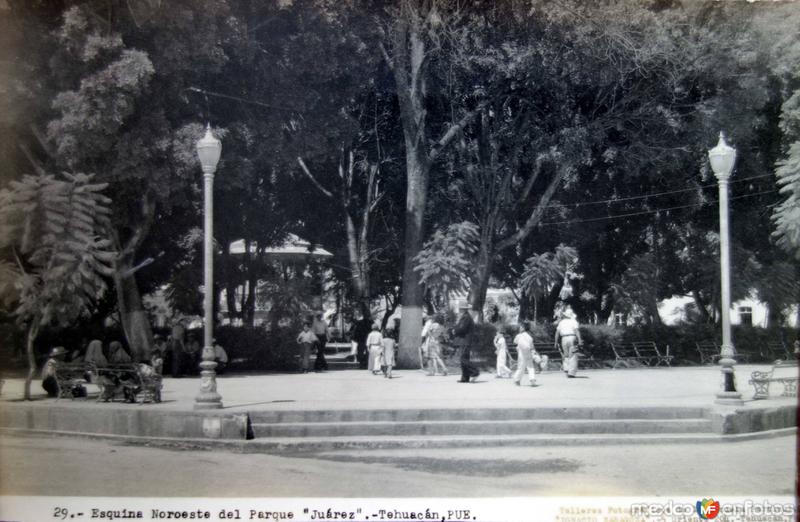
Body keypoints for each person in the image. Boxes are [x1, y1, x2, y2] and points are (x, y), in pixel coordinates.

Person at [453, 304, 479, 383]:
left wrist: (455, 331)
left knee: (463, 359)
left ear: (463, 309)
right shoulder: (465, 317)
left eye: (461, 309)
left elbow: (462, 328)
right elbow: (459, 327)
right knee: (464, 359)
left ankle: (475, 372)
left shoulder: (466, 317)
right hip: (465, 341)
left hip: (465, 341)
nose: (459, 311)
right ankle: (465, 378)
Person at [555, 307, 583, 378]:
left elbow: (557, 333)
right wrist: (579, 340)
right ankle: (571, 372)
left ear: (565, 315)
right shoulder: (574, 321)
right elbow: (577, 331)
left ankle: (566, 369)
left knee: (566, 354)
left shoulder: (561, 322)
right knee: (573, 355)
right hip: (572, 337)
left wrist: (555, 342)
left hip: (563, 338)